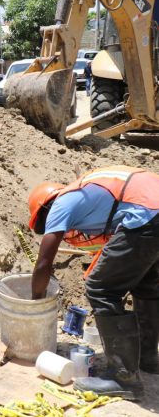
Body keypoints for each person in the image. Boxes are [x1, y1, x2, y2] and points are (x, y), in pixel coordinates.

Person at [28, 165, 159, 400]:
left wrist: (36, 301)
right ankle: (147, 358)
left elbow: (43, 263)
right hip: (152, 210)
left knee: (101, 287)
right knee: (145, 283)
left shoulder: (61, 203)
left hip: (146, 213)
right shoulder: (87, 196)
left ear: (45, 207)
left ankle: (122, 378)